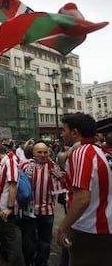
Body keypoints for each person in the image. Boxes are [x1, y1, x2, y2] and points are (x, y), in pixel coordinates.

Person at [57, 113, 112, 265]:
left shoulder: (82, 152)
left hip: (90, 231)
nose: (61, 134)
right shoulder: (101, 152)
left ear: (75, 132)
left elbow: (82, 199)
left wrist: (62, 228)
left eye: (64, 130)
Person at [19, 141, 66, 266]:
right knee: (29, 240)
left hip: (47, 210)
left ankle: (42, 263)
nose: (43, 155)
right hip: (29, 210)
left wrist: (63, 178)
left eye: (45, 152)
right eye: (39, 152)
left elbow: (62, 183)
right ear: (33, 153)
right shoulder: (24, 166)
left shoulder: (54, 167)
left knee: (45, 241)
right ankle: (28, 261)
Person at [0, 145, 25, 266]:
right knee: (6, 238)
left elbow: (13, 185)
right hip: (2, 207)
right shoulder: (5, 162)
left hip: (6, 208)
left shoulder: (10, 162)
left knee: (12, 241)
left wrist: (10, 208)